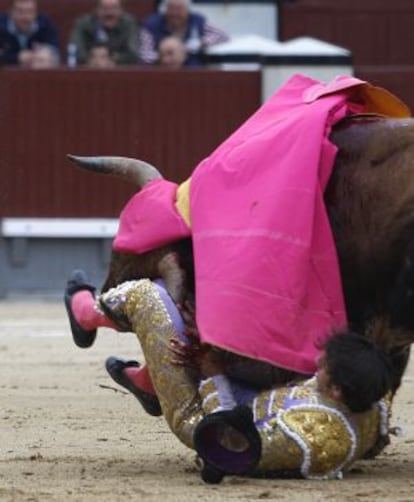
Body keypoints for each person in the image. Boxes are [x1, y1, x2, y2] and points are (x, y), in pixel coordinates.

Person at [64, 272, 393, 482]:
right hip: (252, 403)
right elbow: (377, 436)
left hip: (207, 424)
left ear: (335, 390)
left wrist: (212, 372)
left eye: (325, 368)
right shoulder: (370, 396)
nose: (319, 361)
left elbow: (228, 442)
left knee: (149, 299)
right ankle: (149, 382)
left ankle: (85, 314)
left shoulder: (309, 432)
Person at [139, 0, 228, 66]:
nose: (175, 13)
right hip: (159, 68)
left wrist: (200, 43)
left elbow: (221, 34)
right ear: (164, 10)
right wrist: (165, 55)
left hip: (191, 67)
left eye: (179, 9)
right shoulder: (151, 25)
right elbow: (145, 55)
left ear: (187, 10)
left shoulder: (197, 21)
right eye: (171, 9)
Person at [69, 0, 139, 66]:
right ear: (97, 10)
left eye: (114, 8)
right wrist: (92, 59)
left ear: (121, 10)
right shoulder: (84, 24)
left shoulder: (129, 24)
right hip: (88, 69)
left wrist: (113, 59)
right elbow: (74, 50)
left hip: (120, 70)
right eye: (104, 8)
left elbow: (134, 53)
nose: (109, 12)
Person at [0, 0, 59, 66]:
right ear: (11, 12)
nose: (25, 17)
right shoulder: (1, 25)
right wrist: (16, 58)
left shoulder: (45, 24)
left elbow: (55, 51)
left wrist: (46, 54)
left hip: (37, 71)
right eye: (20, 11)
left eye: (29, 11)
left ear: (35, 12)